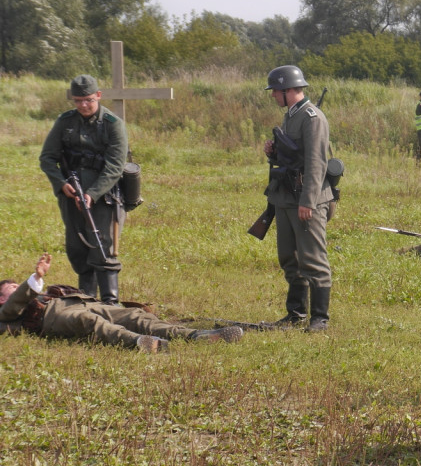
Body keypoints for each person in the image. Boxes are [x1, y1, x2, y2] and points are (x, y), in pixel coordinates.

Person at [1, 253, 243, 352]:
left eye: (16, 286)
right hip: (54, 318)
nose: (18, 288)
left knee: (134, 317)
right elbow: (14, 306)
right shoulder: (5, 312)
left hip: (83, 303)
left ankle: (196, 335)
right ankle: (140, 343)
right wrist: (36, 278)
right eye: (11, 288)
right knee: (91, 322)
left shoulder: (36, 294)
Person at [39, 74, 129, 304]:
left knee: (103, 246)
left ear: (98, 96)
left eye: (88, 100)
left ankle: (110, 302)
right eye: (78, 101)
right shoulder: (65, 121)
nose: (83, 105)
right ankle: (87, 300)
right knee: (76, 247)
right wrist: (61, 184)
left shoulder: (113, 124)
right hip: (71, 194)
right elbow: (47, 158)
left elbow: (115, 167)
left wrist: (93, 194)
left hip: (105, 195)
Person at [263, 65, 333, 332]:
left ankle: (319, 318)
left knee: (313, 258)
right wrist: (273, 152)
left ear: (289, 90)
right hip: (286, 197)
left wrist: (309, 201)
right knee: (289, 257)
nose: (272, 96)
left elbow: (317, 163)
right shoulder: (290, 116)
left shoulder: (312, 117)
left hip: (307, 198)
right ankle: (295, 314)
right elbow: (293, 156)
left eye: (276, 91)